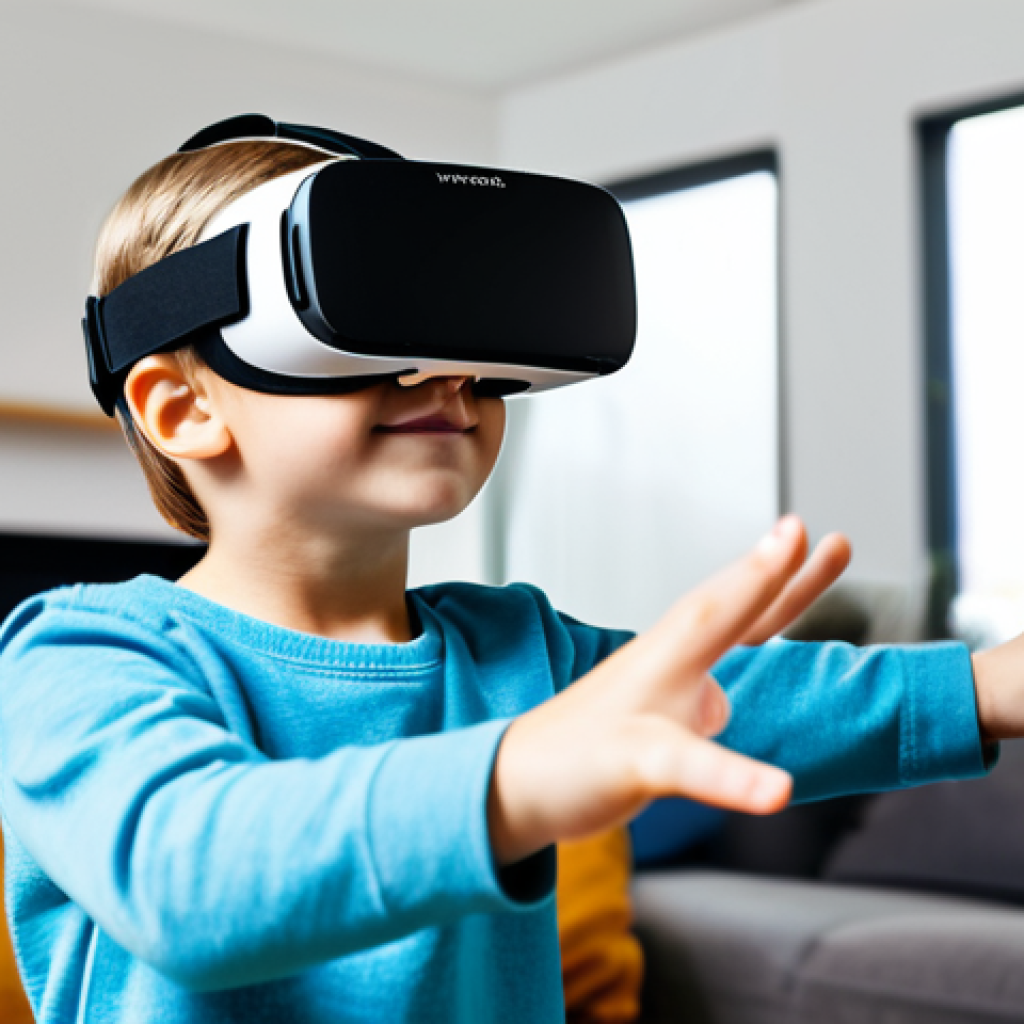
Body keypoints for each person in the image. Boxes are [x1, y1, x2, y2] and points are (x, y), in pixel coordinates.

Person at [2, 132, 1023, 1024]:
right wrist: (517, 775)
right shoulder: (79, 654)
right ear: (183, 408)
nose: (444, 368)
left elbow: (739, 700)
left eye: (457, 326)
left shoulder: (517, 646)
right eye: (364, 313)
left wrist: (983, 686)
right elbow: (184, 875)